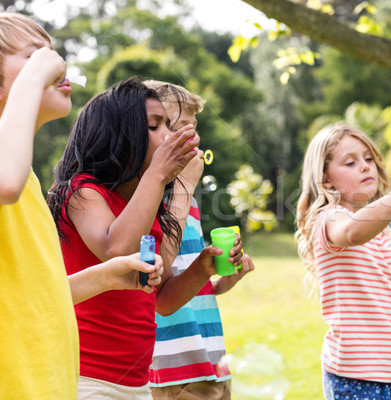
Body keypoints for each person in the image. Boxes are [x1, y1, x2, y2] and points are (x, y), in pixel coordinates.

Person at [47, 78, 247, 399]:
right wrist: (157, 174)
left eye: (169, 125)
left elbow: (162, 297)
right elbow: (116, 251)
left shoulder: (145, 206)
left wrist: (202, 268)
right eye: (156, 126)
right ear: (117, 134)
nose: (170, 136)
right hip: (86, 376)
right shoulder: (82, 191)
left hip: (136, 381)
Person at [0, 13, 163, 400]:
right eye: (34, 53)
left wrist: (104, 277)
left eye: (52, 53)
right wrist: (35, 76)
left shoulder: (29, 179)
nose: (55, 62)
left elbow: (30, 294)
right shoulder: (11, 175)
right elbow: (4, 182)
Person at [295, 122, 391, 400]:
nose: (366, 166)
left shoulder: (384, 231)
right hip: (353, 375)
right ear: (326, 179)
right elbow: (354, 232)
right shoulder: (330, 219)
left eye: (368, 159)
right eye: (351, 162)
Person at [144, 80, 255, 400]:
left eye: (195, 129)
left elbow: (187, 283)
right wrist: (183, 188)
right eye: (180, 128)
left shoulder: (187, 200)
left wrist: (224, 281)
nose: (193, 139)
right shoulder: (148, 199)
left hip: (210, 357)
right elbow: (158, 292)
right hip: (171, 368)